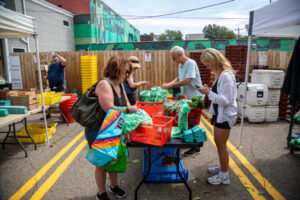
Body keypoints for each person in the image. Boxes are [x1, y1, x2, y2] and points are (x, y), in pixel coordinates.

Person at [85, 55, 139, 200]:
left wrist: (135, 111)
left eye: (128, 72)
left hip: (113, 128)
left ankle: (113, 186)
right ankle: (101, 193)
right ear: (117, 69)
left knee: (113, 159)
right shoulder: (104, 84)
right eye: (126, 72)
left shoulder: (120, 84)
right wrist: (129, 110)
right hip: (98, 130)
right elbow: (109, 109)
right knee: (101, 162)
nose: (127, 75)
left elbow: (126, 103)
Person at [197, 48, 237, 185]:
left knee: (221, 147)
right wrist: (210, 90)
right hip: (221, 115)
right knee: (220, 145)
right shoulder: (221, 74)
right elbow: (221, 95)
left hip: (225, 116)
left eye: (207, 64)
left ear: (213, 60)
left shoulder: (226, 75)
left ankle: (224, 176)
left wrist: (208, 92)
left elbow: (227, 100)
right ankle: (222, 168)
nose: (207, 67)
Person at [162, 46, 204, 156]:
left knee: (194, 122)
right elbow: (178, 78)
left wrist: (170, 85)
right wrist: (169, 84)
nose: (173, 61)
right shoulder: (181, 65)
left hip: (195, 98)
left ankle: (196, 147)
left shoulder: (190, 63)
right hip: (187, 98)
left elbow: (186, 81)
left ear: (180, 55)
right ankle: (190, 142)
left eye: (173, 58)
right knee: (187, 120)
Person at [41, 53, 67, 120]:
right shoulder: (50, 66)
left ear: (58, 58)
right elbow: (51, 75)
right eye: (53, 57)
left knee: (60, 100)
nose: (55, 58)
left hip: (59, 84)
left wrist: (58, 55)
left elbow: (64, 61)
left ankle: (61, 115)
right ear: (52, 59)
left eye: (56, 57)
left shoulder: (59, 64)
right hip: (52, 85)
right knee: (50, 100)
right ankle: (48, 114)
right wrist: (46, 77)